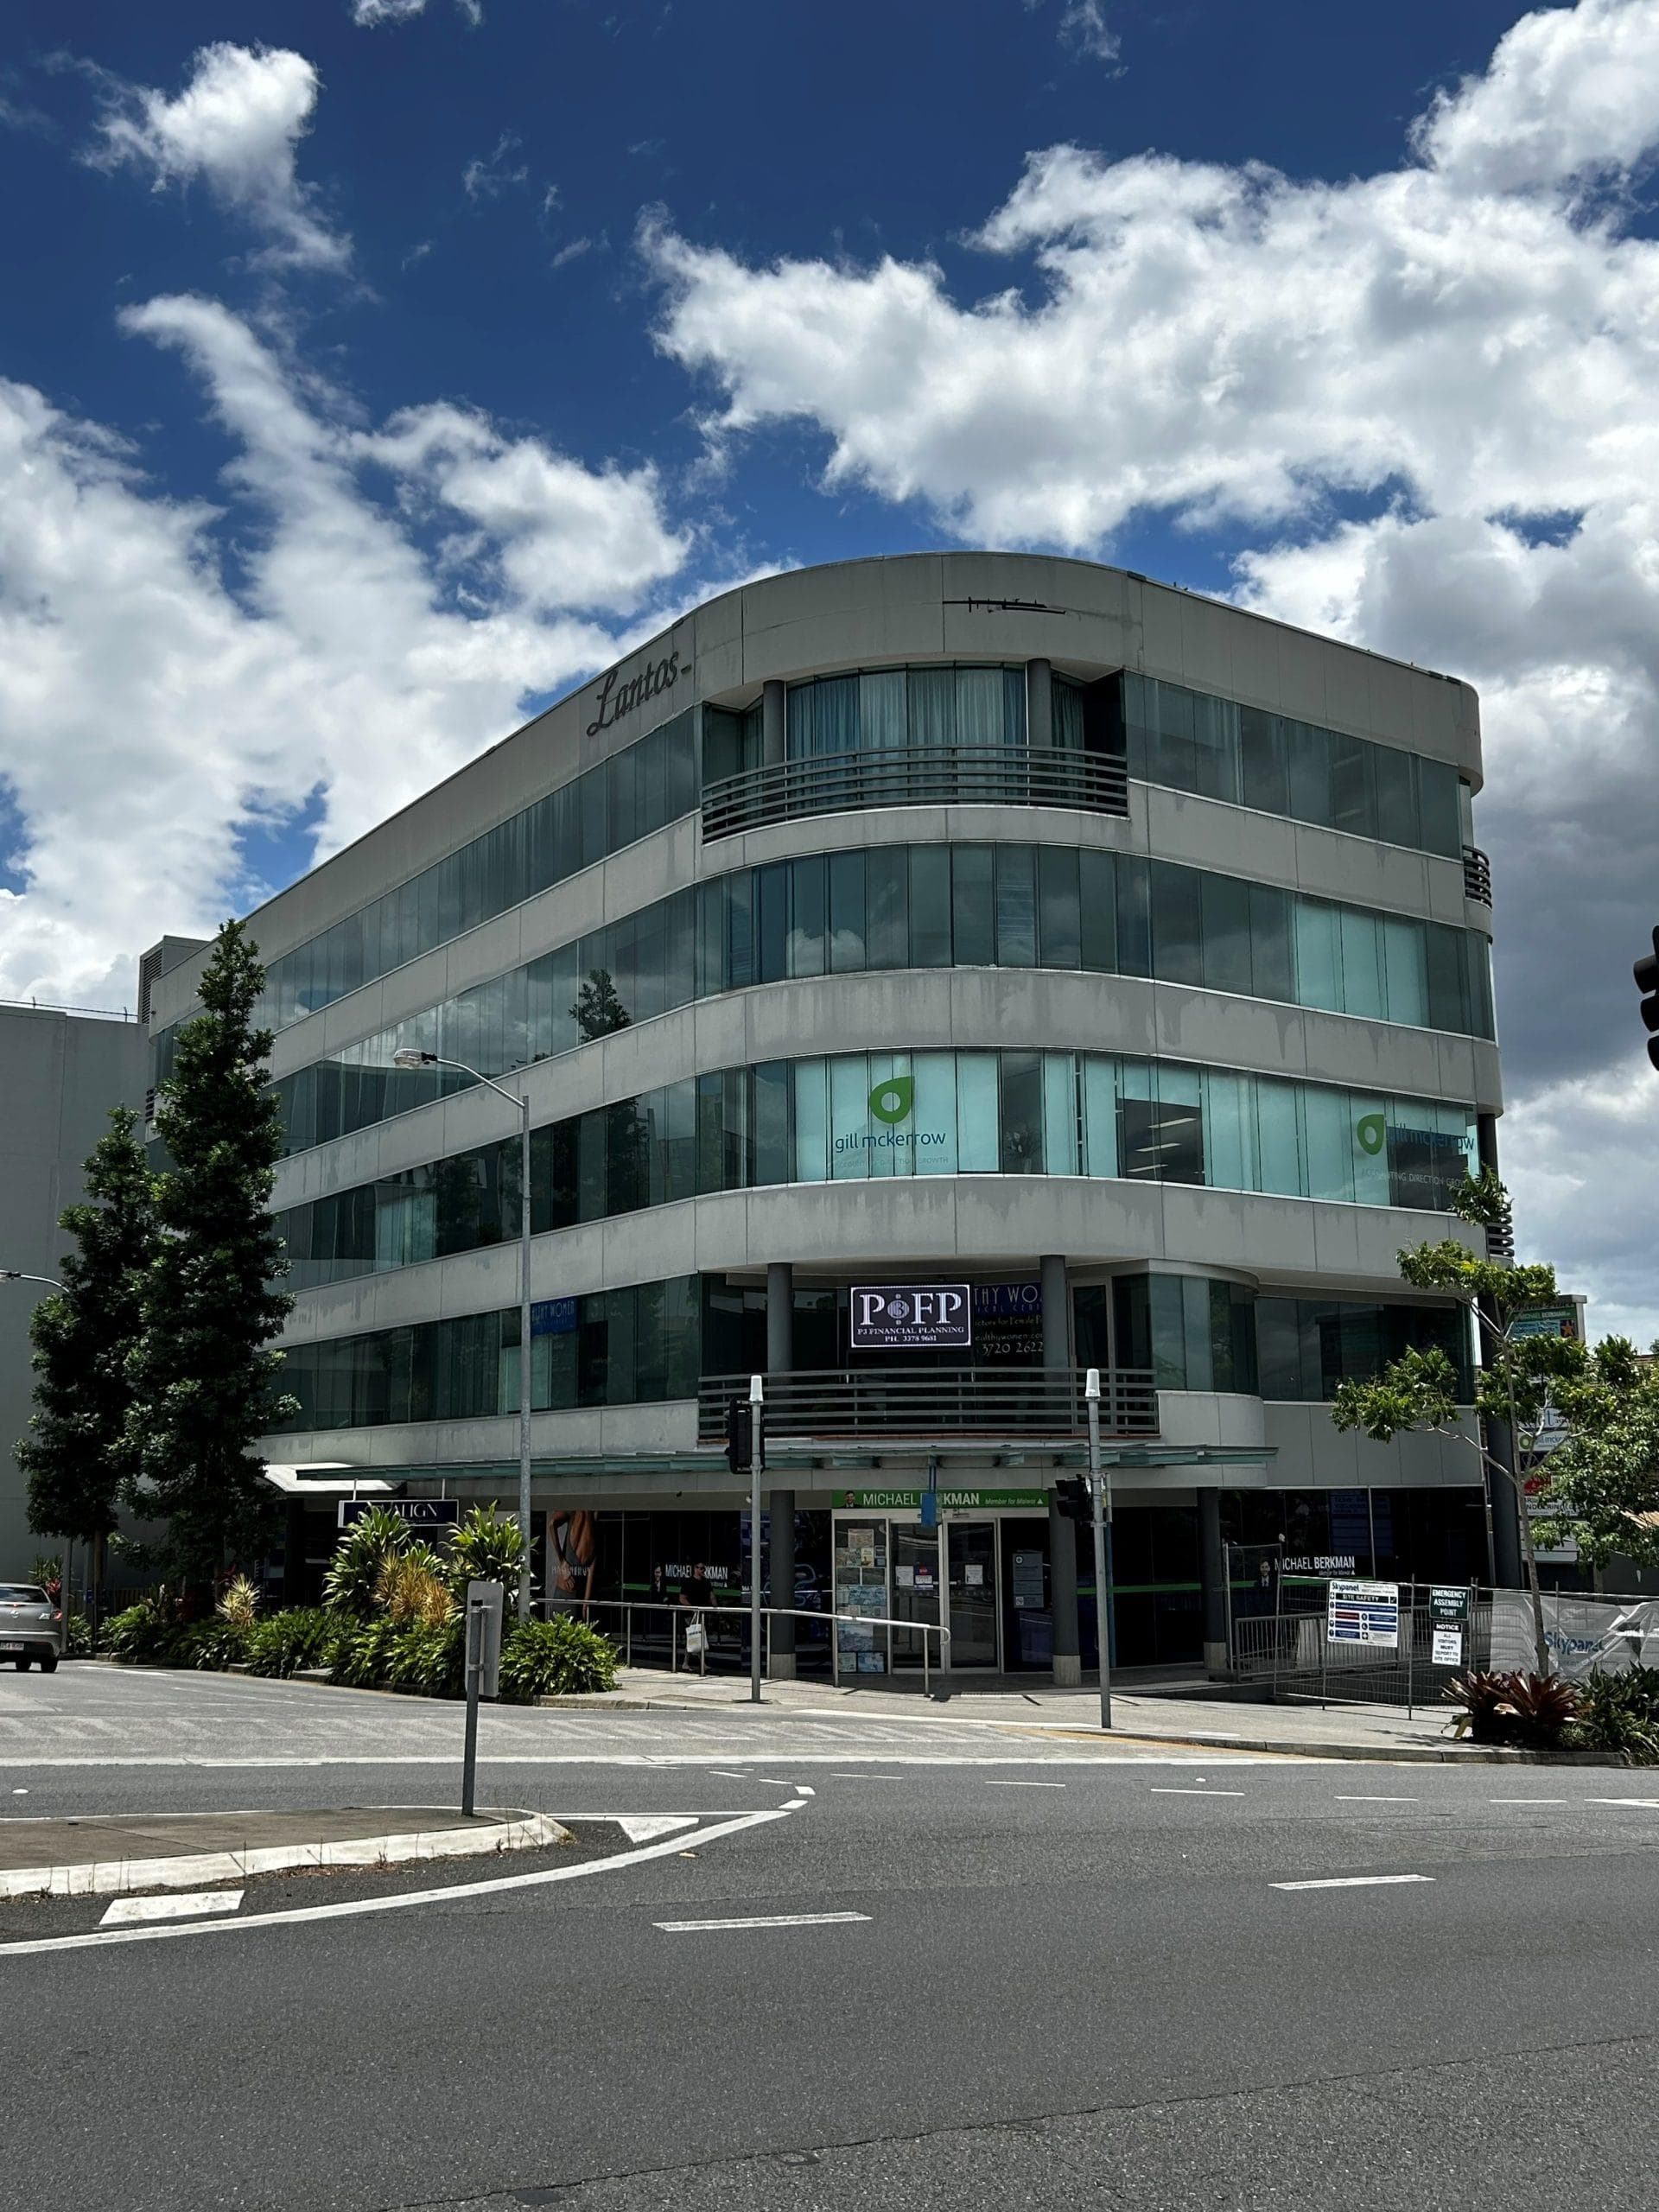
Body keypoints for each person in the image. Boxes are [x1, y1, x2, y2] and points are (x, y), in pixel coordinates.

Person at [549, 1509, 598, 1617]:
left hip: (564, 1591)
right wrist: (586, 1602)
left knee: (556, 1631)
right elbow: (591, 1569)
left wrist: (562, 1562)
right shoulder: (594, 1528)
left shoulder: (574, 1510)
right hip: (577, 1596)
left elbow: (552, 1523)